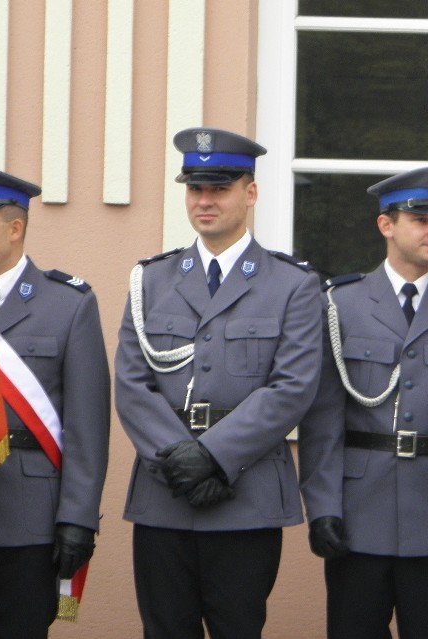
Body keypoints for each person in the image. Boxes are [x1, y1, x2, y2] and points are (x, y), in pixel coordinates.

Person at [114, 127, 322, 639]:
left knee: (238, 628)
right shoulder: (152, 280)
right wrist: (176, 456)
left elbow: (291, 387)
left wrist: (212, 456)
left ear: (250, 193)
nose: (205, 200)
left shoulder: (292, 284)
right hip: (165, 490)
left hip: (244, 494)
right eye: (195, 188)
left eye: (220, 188)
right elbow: (132, 383)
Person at [298, 166, 428, 639]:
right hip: (358, 513)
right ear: (387, 225)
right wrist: (323, 508)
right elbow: (323, 421)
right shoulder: (340, 304)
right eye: (421, 220)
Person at [0, 163, 110, 638]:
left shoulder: (68, 304)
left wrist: (78, 518)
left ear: (14, 228)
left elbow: (87, 426)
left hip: (29, 514)